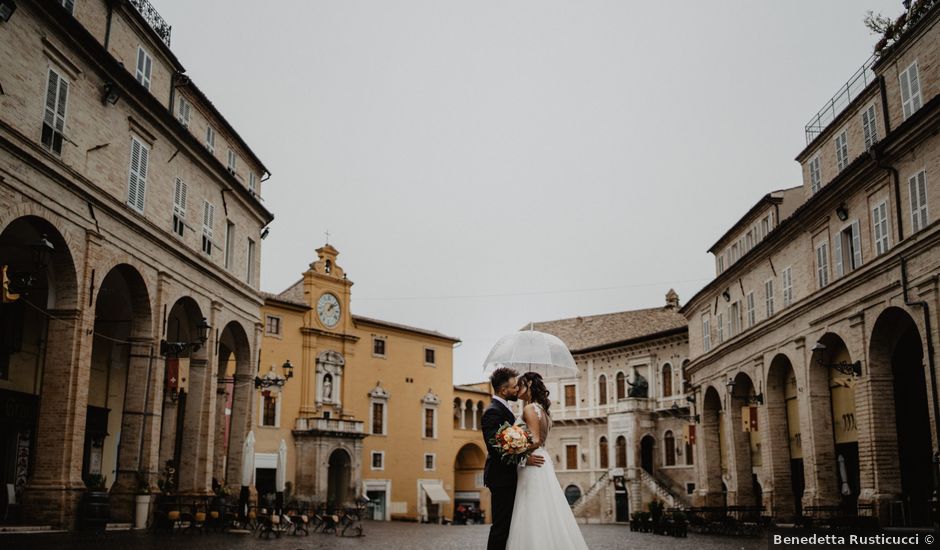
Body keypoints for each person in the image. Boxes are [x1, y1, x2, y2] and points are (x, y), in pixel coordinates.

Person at [505, 372, 589, 550]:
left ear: (528, 385)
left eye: (520, 385)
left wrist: (513, 448)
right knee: (545, 509)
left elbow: (535, 439)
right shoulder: (542, 410)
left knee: (532, 510)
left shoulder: (529, 409)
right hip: (542, 460)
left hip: (534, 462)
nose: (517, 389)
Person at [481, 367, 544, 550]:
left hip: (511, 476)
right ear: (503, 390)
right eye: (514, 386)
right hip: (501, 478)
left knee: (511, 525)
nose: (517, 389)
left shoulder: (506, 408)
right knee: (501, 526)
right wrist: (524, 458)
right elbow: (496, 449)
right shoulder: (492, 411)